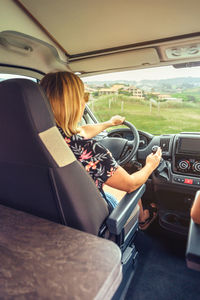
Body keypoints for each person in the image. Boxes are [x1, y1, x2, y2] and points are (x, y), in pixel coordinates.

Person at [40, 71, 162, 230]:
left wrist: (109, 123)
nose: (84, 103)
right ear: (76, 104)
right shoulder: (89, 149)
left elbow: (81, 130)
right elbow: (131, 184)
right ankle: (142, 218)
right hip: (92, 216)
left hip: (51, 210)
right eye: (83, 98)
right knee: (136, 182)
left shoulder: (41, 138)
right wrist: (150, 165)